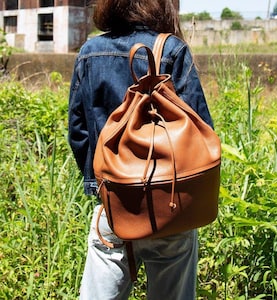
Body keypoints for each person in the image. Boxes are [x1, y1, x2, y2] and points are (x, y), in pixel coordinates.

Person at [68, 0, 214, 299]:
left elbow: (79, 131)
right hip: (170, 205)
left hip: (114, 205)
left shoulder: (89, 52)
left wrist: (99, 185)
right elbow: (201, 130)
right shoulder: (171, 49)